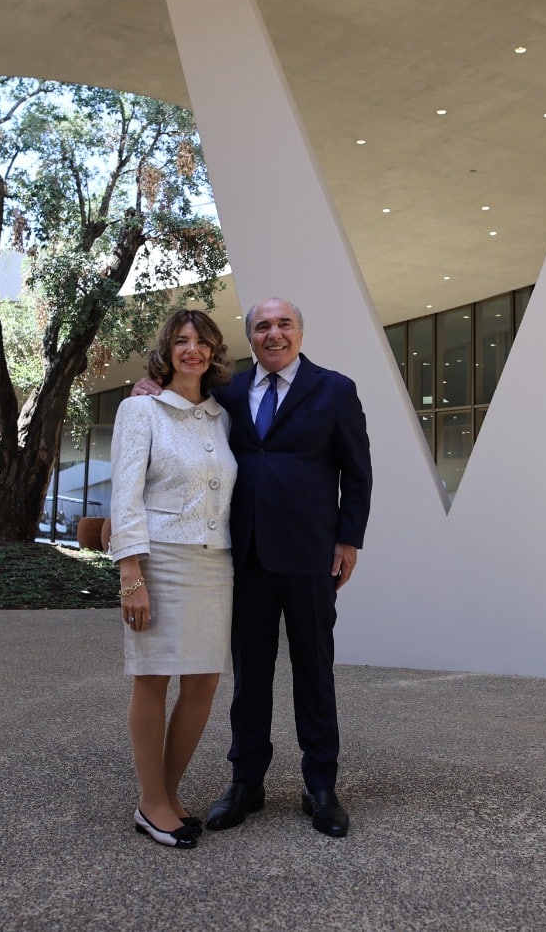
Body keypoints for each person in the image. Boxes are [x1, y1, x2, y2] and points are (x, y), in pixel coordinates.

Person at [137, 297, 373, 838]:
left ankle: (321, 786)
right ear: (250, 339)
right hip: (244, 557)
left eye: (283, 324)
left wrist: (348, 540)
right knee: (250, 677)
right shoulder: (230, 392)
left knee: (315, 670)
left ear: (300, 332)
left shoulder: (336, 390)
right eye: (262, 326)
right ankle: (246, 782)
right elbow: (185, 406)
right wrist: (148, 391)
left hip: (312, 555)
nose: (273, 334)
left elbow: (357, 474)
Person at [109, 309, 238, 849]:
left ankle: (168, 790)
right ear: (167, 350)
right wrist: (130, 572)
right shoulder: (140, 410)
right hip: (159, 559)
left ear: (214, 352)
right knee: (154, 678)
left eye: (203, 341)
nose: (193, 350)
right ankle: (151, 801)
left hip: (216, 561)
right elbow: (125, 494)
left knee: (204, 682)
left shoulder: (222, 416)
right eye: (182, 341)